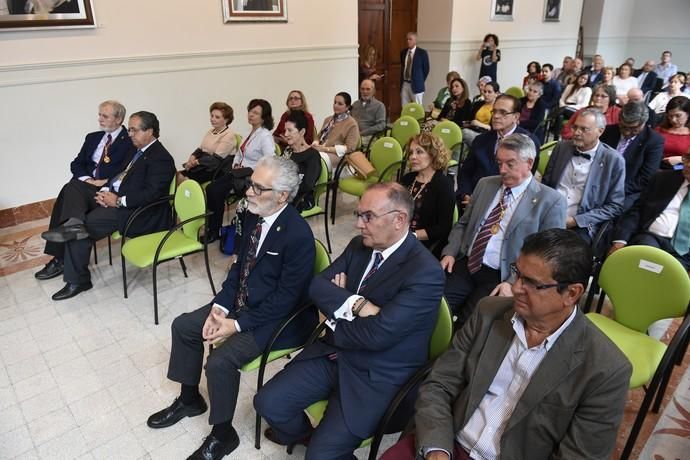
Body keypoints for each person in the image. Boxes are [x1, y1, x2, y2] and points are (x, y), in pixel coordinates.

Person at [381, 228, 632, 460]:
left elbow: (579, 456)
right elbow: (440, 384)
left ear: (572, 293)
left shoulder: (605, 369)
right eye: (517, 273)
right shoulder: (489, 313)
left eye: (532, 283)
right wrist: (438, 449)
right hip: (447, 442)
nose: (516, 287)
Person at [254, 182, 445, 460]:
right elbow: (317, 286)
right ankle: (307, 435)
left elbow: (378, 336)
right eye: (358, 214)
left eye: (368, 216)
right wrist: (355, 302)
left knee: (320, 457)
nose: (358, 224)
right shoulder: (360, 246)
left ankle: (324, 446)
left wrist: (332, 314)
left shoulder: (425, 273)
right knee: (267, 404)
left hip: (377, 373)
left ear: (399, 219)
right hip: (334, 353)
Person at [146, 156, 317, 460]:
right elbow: (239, 269)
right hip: (243, 301)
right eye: (250, 184)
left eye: (258, 188)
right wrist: (222, 307)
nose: (248, 192)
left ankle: (223, 435)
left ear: (282, 196)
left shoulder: (298, 235)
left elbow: (285, 300)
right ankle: (189, 400)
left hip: (281, 320)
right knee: (184, 326)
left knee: (220, 363)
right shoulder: (253, 214)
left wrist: (236, 325)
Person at [40, 111, 176, 300]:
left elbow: (151, 194)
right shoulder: (140, 150)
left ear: (150, 131)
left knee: (86, 225)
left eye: (134, 130)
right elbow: (123, 176)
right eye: (129, 130)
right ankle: (74, 223)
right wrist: (106, 190)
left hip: (137, 212)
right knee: (74, 187)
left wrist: (117, 201)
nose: (129, 134)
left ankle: (78, 281)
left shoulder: (160, 158)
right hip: (117, 195)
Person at [441, 134, 565, 323]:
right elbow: (464, 223)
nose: (502, 170)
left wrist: (513, 282)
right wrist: (450, 251)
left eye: (510, 164)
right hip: (467, 262)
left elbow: (547, 256)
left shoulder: (550, 201)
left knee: (472, 322)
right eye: (499, 163)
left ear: (529, 163)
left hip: (503, 274)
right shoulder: (485, 184)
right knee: (436, 308)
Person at [35, 100, 133, 281]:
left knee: (68, 192)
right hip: (85, 186)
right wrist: (88, 179)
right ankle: (71, 236)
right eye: (99, 115)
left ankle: (60, 258)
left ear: (119, 119)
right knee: (71, 190)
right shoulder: (93, 137)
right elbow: (76, 163)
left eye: (105, 116)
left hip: (106, 189)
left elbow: (127, 170)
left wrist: (104, 182)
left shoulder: (130, 141)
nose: (100, 119)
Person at [542, 108, 626, 243]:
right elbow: (546, 184)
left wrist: (575, 221)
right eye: (575, 127)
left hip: (582, 225)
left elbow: (614, 206)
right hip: (549, 214)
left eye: (584, 129)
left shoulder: (613, 160)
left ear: (600, 131)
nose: (576, 133)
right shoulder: (561, 148)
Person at [204, 99, 276, 244]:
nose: (251, 115)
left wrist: (249, 170)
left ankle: (214, 230)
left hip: (250, 178)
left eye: (255, 113)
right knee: (212, 188)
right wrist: (236, 164)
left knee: (214, 190)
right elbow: (239, 153)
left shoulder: (265, 136)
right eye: (250, 111)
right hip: (238, 173)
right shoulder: (250, 132)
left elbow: (269, 161)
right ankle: (213, 228)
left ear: (263, 117)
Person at [457, 94, 541, 203]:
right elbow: (466, 172)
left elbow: (526, 181)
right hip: (474, 198)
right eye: (494, 111)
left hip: (507, 203)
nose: (496, 116)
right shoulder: (480, 140)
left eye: (503, 112)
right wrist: (466, 194)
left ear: (516, 116)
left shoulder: (528, 142)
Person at [610, 165, 690, 270]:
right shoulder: (663, 178)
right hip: (650, 238)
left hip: (684, 252)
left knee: (672, 278)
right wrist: (621, 240)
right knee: (646, 266)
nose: (688, 164)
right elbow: (637, 211)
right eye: (688, 157)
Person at [600, 101, 664, 210]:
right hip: (599, 183)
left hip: (628, 190)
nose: (627, 132)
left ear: (643, 123)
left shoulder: (653, 141)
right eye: (624, 127)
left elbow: (645, 179)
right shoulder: (607, 131)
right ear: (619, 120)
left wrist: (615, 190)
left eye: (633, 129)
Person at [400, 133, 455, 258]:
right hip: (400, 236)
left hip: (424, 244)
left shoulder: (444, 185)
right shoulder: (407, 179)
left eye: (419, 152)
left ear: (433, 154)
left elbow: (443, 227)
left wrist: (410, 236)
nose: (413, 157)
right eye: (411, 152)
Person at [178, 102, 238, 184]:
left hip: (215, 168)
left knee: (185, 179)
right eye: (212, 116)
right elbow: (200, 149)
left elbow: (216, 160)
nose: (212, 119)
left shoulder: (229, 135)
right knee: (178, 176)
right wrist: (192, 157)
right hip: (203, 164)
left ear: (226, 120)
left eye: (217, 117)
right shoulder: (210, 131)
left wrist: (195, 162)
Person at [282, 111, 321, 212]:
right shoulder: (288, 151)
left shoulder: (312, 155)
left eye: (290, 130)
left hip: (301, 199)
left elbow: (307, 186)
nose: (286, 134)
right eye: (285, 130)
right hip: (284, 193)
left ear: (302, 132)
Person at [313, 91, 360, 172]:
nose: (335, 105)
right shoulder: (328, 119)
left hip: (339, 155)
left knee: (315, 160)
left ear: (347, 107)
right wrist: (315, 142)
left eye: (340, 104)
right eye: (335, 102)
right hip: (322, 150)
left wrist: (325, 149)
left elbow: (350, 148)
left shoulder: (352, 124)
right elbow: (318, 136)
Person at [461, 80, 500, 148]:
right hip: (473, 130)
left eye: (489, 92)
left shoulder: (498, 108)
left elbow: (494, 128)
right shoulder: (478, 104)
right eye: (484, 91)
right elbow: (469, 119)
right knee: (462, 144)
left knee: (464, 133)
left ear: (496, 94)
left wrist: (479, 124)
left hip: (485, 135)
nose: (486, 94)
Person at [656, 95, 690, 168]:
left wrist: (681, 159)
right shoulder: (658, 130)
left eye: (678, 116)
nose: (673, 120)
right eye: (670, 116)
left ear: (688, 114)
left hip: (680, 172)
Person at [351, 79, 386, 147]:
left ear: (373, 91)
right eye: (362, 89)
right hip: (354, 134)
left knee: (350, 143)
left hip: (369, 136)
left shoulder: (379, 106)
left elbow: (381, 125)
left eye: (368, 89)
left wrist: (363, 133)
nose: (365, 91)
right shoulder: (355, 104)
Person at [400, 32, 430, 105]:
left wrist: (419, 80)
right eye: (407, 39)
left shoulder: (422, 53)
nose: (408, 41)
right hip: (405, 83)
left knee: (417, 108)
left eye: (410, 39)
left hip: (417, 85)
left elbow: (426, 69)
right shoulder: (403, 52)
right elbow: (403, 66)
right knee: (404, 106)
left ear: (415, 41)